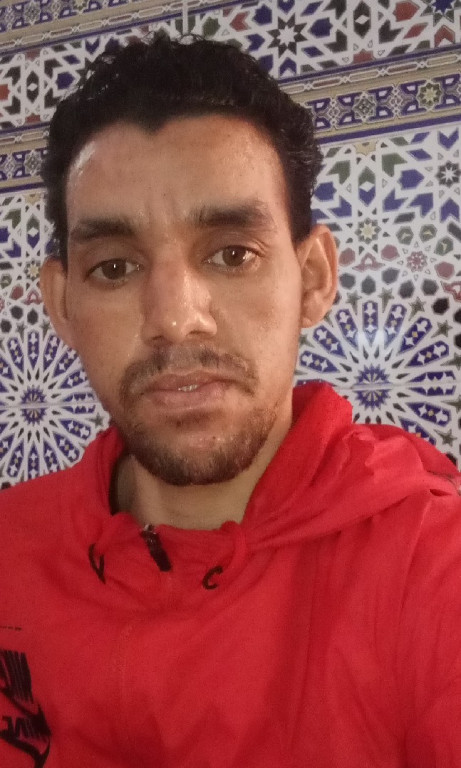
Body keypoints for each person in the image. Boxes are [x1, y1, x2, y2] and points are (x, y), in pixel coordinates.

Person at [0, 32, 460, 768]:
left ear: (313, 279)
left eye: (232, 254)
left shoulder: (425, 565)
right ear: (61, 305)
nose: (176, 317)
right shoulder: (10, 550)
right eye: (114, 267)